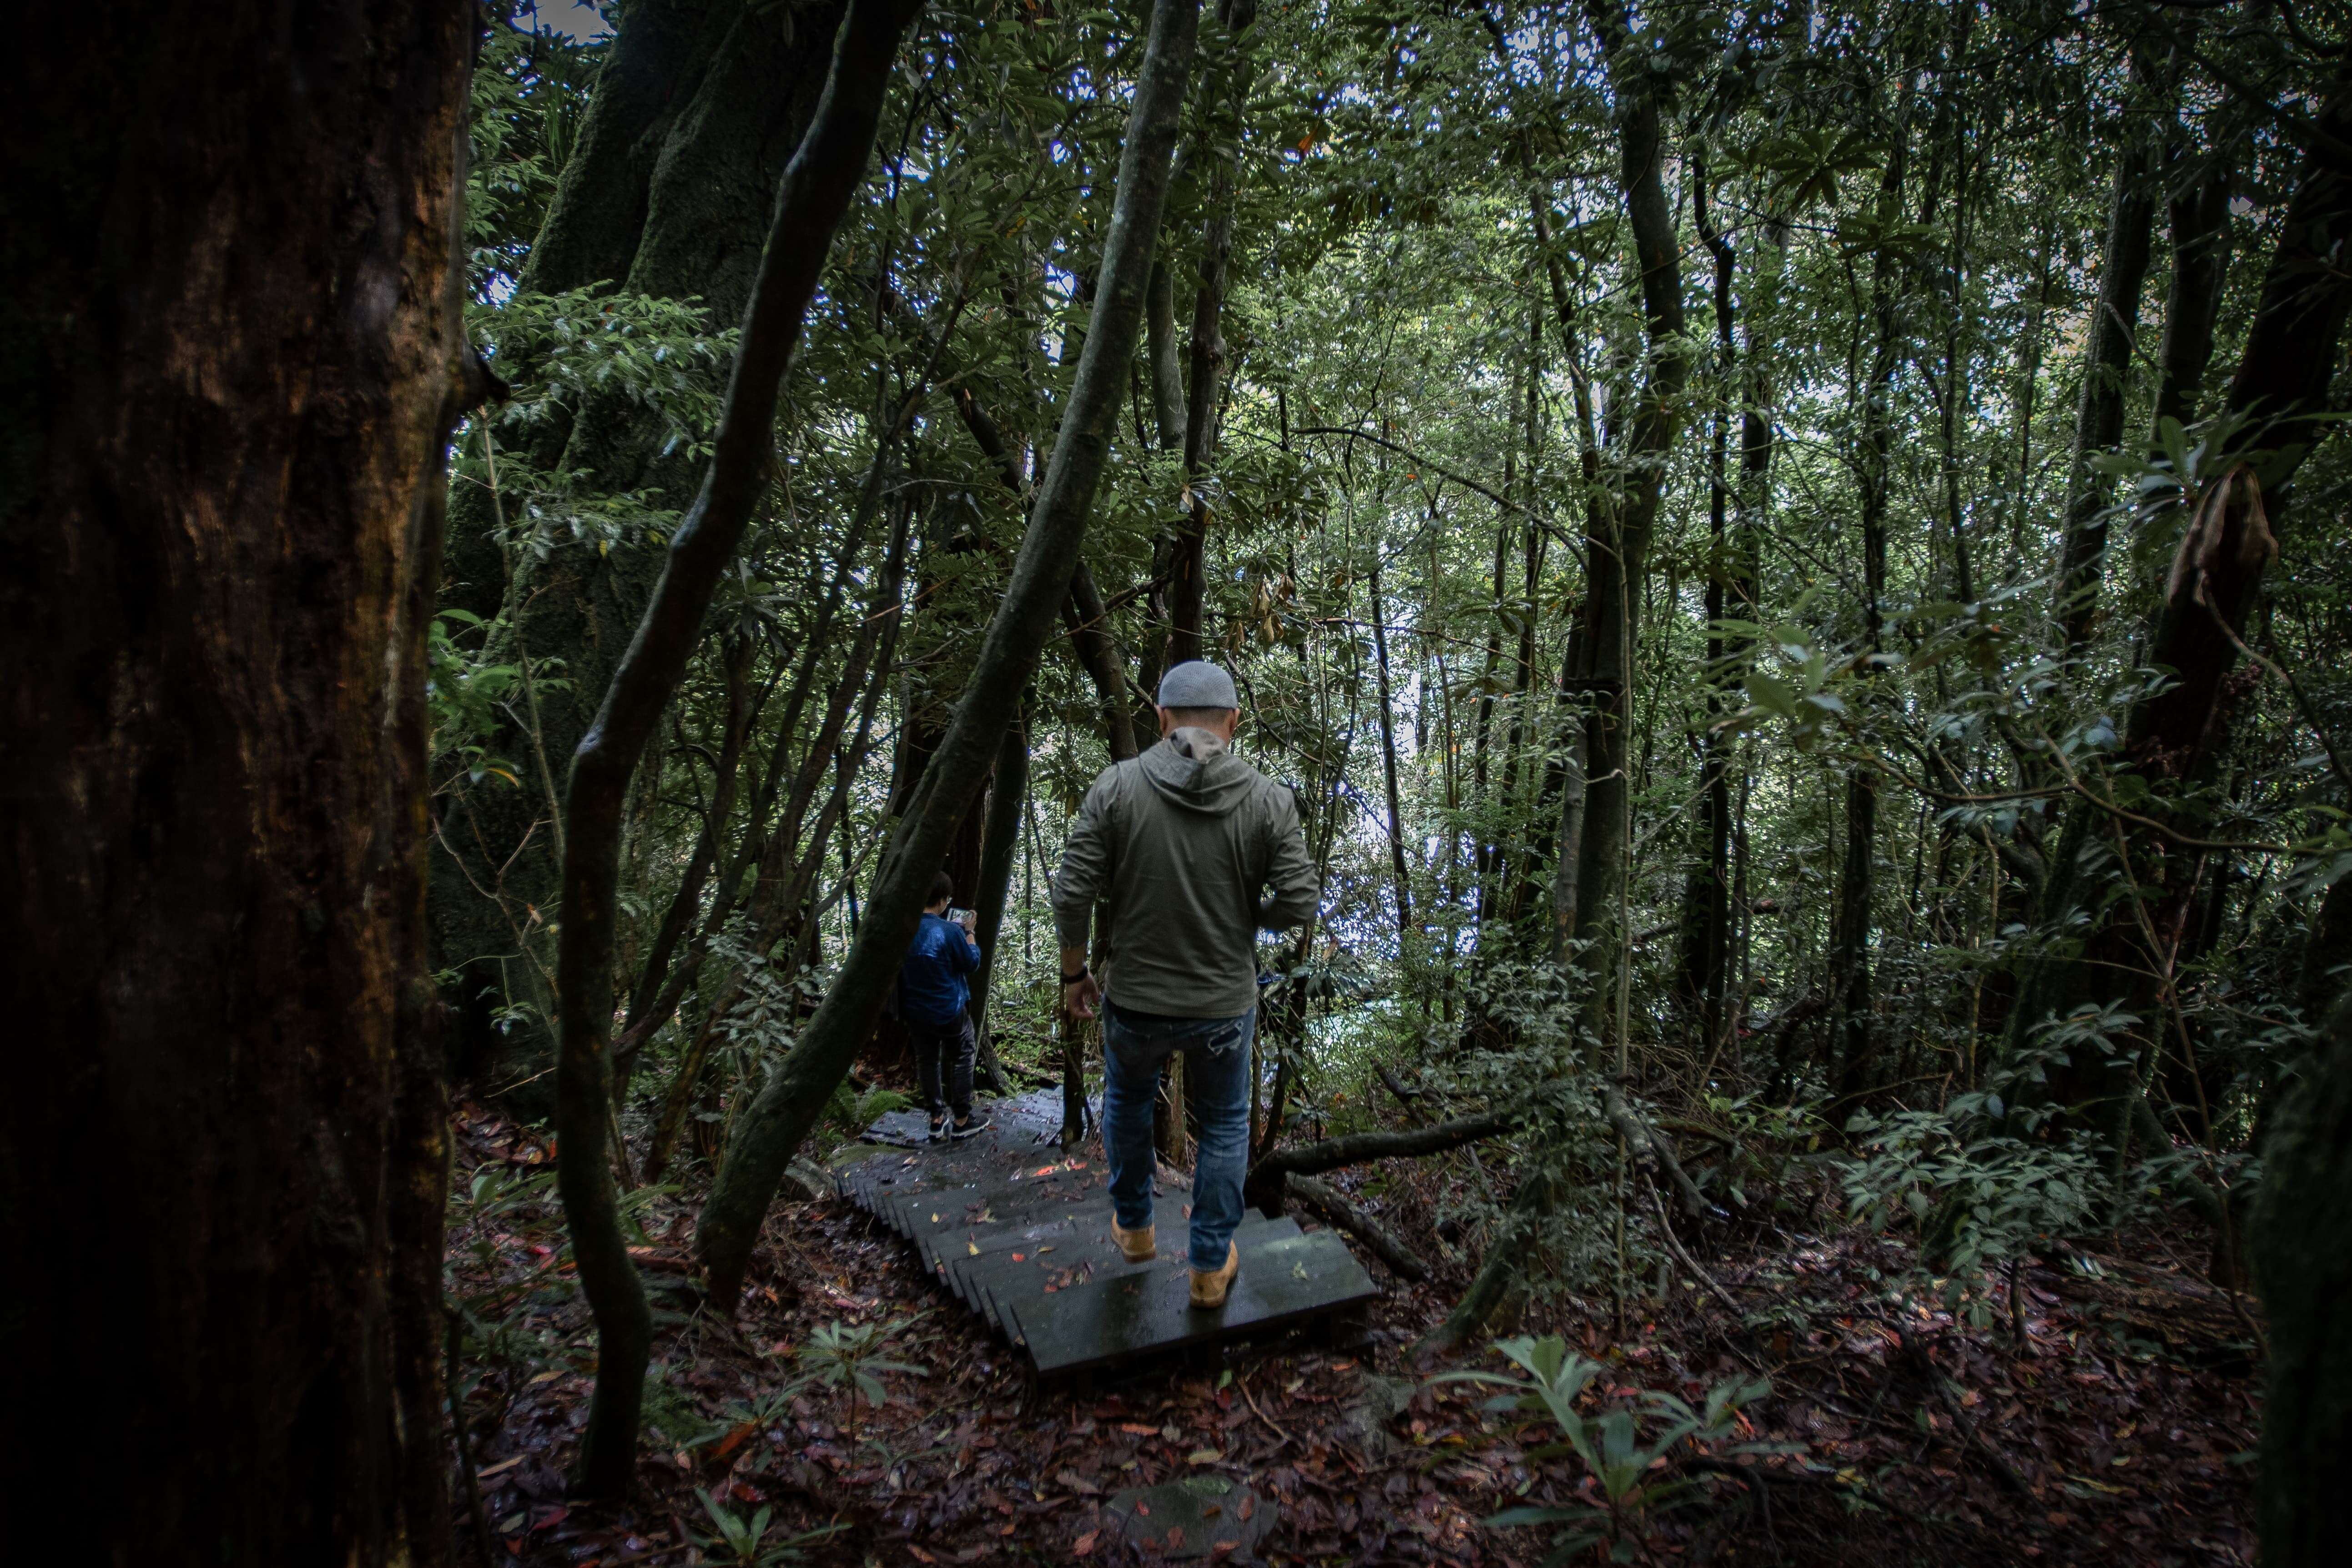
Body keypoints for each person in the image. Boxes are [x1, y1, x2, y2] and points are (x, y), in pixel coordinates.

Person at [1052, 661, 1320, 1308]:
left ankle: (1137, 1229)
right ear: (1232, 722)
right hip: (1223, 1001)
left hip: (1136, 998)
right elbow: (1300, 899)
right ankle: (1206, 1264)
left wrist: (1074, 971)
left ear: (1163, 718)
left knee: (1127, 1101)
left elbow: (1071, 889)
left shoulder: (1117, 787)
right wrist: (1247, 916)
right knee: (1226, 1124)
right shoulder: (1265, 798)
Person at [900, 870, 990, 1141]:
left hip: (915, 1011)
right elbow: (971, 963)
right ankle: (962, 1119)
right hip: (949, 1009)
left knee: (927, 1060)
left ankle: (936, 1119)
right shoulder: (950, 931)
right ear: (941, 901)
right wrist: (970, 934)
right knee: (962, 1054)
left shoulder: (904, 929)